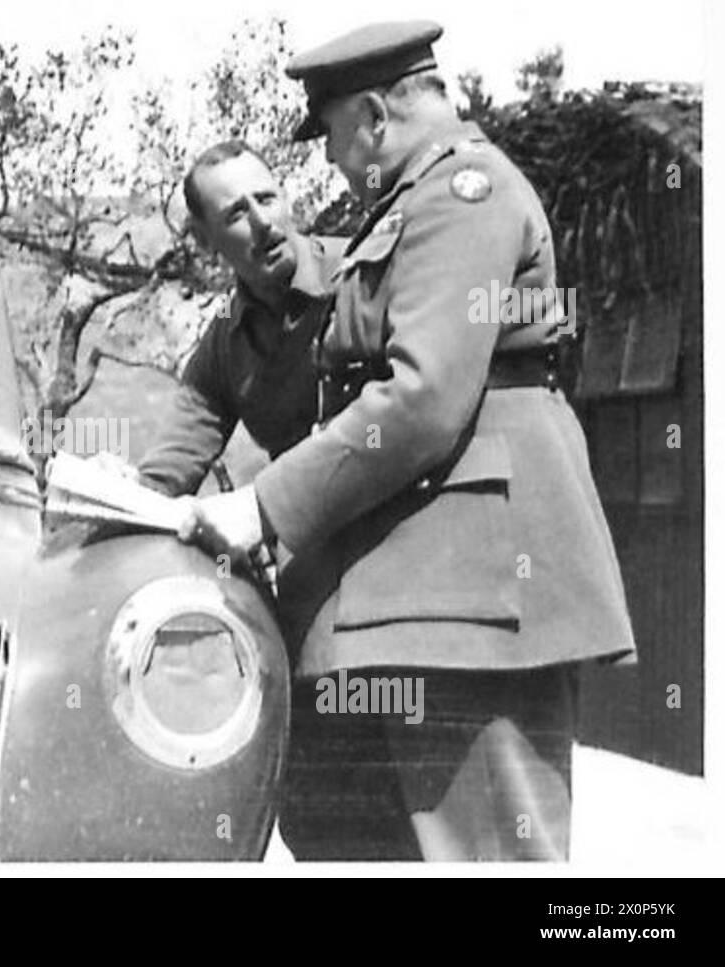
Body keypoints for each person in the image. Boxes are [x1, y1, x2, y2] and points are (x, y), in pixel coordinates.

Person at [175, 20, 637, 860]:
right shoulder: (408, 208)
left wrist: (264, 505)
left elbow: (422, 397)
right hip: (403, 609)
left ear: (375, 117)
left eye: (334, 141)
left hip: (472, 604)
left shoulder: (464, 194)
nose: (334, 165)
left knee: (488, 855)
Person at [107, 140, 342, 501]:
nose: (262, 223)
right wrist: (122, 489)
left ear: (285, 197)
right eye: (236, 214)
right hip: (313, 533)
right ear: (205, 240)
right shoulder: (225, 342)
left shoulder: (358, 272)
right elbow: (173, 463)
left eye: (266, 199)